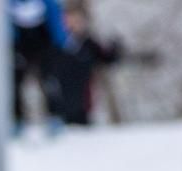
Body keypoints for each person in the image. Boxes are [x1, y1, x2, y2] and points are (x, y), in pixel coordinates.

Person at [54, 8, 123, 127]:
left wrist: (115, 49)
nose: (73, 25)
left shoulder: (89, 43)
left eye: (77, 21)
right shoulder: (55, 45)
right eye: (69, 21)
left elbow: (107, 58)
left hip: (84, 104)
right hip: (59, 106)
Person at [11, 0, 71, 130]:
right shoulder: (8, 4)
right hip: (19, 47)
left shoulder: (47, 3)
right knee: (15, 83)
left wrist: (62, 43)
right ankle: (16, 119)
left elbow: (56, 22)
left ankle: (55, 117)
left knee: (50, 82)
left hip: (44, 47)